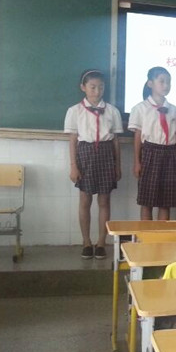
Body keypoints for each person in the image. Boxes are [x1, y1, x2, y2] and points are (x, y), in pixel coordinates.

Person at [63, 69, 123, 259]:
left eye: (101, 87)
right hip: (85, 154)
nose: (97, 91)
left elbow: (115, 141)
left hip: (106, 154)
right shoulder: (74, 111)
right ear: (83, 87)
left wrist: (117, 165)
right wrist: (73, 166)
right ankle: (86, 242)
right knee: (85, 200)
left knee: (104, 201)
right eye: (93, 87)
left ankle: (101, 243)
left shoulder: (112, 111)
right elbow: (73, 140)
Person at [128, 67, 176, 220]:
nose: (166, 85)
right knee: (147, 202)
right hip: (150, 153)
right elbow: (137, 137)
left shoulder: (175, 110)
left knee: (166, 202)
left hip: (171, 154)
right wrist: (137, 162)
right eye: (162, 81)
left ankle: (161, 234)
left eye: (168, 82)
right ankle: (146, 234)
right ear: (150, 83)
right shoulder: (140, 109)